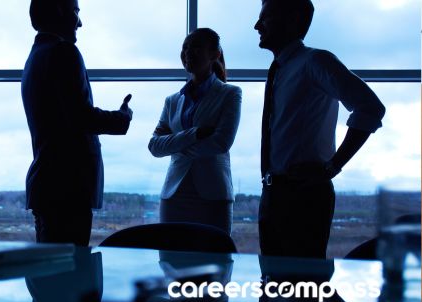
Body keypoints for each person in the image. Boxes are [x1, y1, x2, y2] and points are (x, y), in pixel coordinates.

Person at [254, 0, 385, 258]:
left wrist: (333, 166)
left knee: (302, 284)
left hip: (304, 196)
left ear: (292, 21)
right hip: (273, 193)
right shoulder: (281, 69)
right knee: (274, 282)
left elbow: (370, 108)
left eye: (265, 18)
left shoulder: (316, 61)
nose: (257, 26)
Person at [22, 0, 133, 246]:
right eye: (76, 12)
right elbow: (81, 117)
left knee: (55, 274)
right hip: (68, 188)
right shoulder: (64, 52)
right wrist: (122, 118)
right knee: (70, 277)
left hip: (49, 186)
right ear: (59, 10)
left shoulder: (35, 57)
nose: (80, 22)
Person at [148, 28, 242, 233]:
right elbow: (154, 146)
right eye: (185, 47)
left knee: (217, 260)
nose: (188, 52)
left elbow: (221, 142)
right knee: (171, 260)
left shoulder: (230, 94)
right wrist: (194, 134)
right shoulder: (172, 101)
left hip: (214, 195)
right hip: (174, 195)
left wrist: (174, 146)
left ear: (215, 55)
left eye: (196, 47)